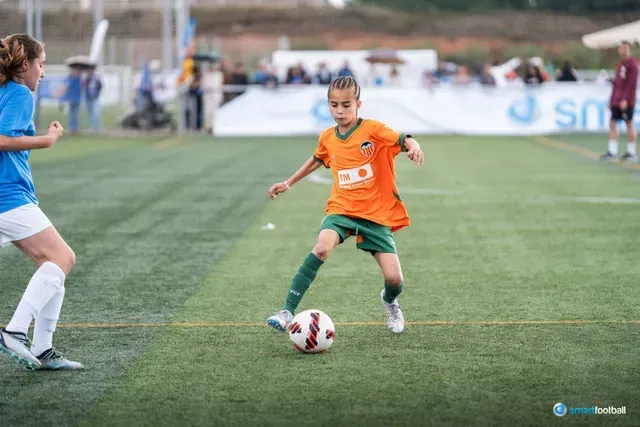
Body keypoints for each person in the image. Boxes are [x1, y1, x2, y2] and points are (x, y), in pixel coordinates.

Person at [266, 76, 424, 335]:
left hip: (375, 214)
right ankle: (286, 311)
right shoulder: (327, 137)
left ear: (358, 104)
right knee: (321, 248)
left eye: (346, 105)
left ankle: (390, 301)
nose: (339, 111)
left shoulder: (372, 129)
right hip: (341, 209)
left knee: (395, 279)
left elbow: (400, 138)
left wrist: (414, 144)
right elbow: (317, 159)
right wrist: (288, 182)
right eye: (334, 105)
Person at [0, 34, 82, 370]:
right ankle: (15, 332)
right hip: (8, 197)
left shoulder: (6, 90)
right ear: (24, 66)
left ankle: (44, 349)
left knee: (53, 263)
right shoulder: (19, 93)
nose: (43, 73)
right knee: (62, 257)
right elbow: (3, 139)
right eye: (41, 64)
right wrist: (48, 140)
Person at [601, 41, 639, 163]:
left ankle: (631, 152)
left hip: (627, 101)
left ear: (629, 50)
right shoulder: (619, 65)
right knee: (612, 123)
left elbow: (632, 84)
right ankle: (612, 151)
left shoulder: (632, 65)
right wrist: (611, 100)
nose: (622, 50)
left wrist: (626, 99)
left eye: (625, 48)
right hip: (616, 100)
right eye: (621, 48)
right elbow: (616, 84)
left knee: (628, 123)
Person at [84, 65, 103, 133]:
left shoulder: (96, 78)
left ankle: (98, 127)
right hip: (88, 97)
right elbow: (84, 86)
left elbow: (100, 86)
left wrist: (97, 93)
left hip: (95, 98)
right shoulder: (86, 78)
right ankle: (92, 127)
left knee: (96, 112)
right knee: (90, 113)